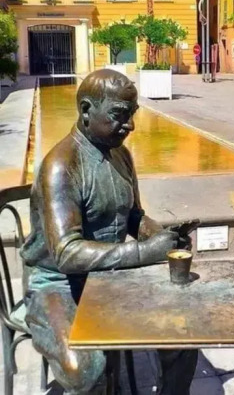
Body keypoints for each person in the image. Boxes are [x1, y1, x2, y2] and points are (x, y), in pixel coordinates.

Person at [21, 70, 198, 394]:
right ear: (86, 110)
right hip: (57, 283)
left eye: (132, 114)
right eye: (119, 115)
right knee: (86, 371)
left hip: (111, 276)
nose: (130, 125)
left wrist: (163, 237)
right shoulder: (61, 166)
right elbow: (67, 254)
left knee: (184, 333)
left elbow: (134, 216)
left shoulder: (121, 155)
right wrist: (144, 252)